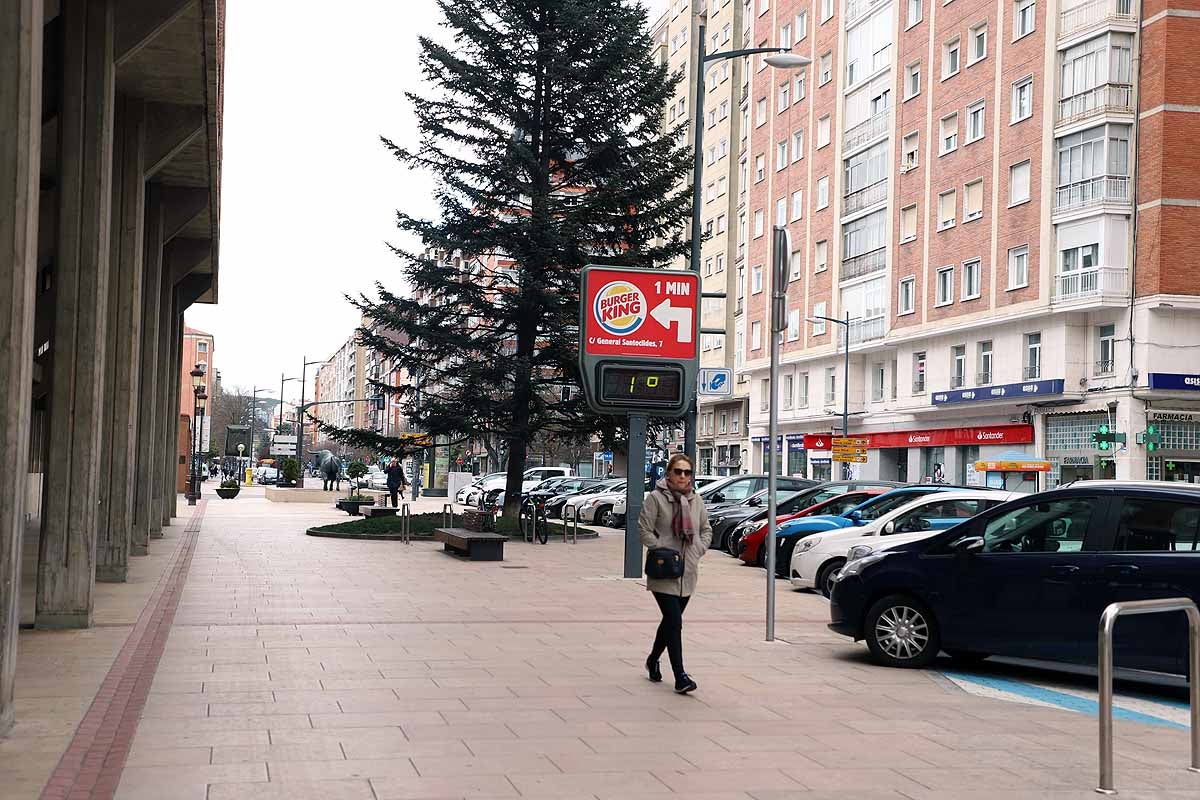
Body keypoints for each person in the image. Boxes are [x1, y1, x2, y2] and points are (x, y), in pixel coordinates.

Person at [637, 453, 711, 695]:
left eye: (687, 472)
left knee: (670, 621)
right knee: (675, 622)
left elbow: (705, 529)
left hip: (688, 571)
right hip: (663, 570)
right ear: (668, 474)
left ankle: (652, 659)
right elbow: (643, 530)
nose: (682, 476)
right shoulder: (656, 499)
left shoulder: (696, 500)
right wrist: (662, 549)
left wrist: (698, 549)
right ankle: (680, 676)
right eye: (677, 471)